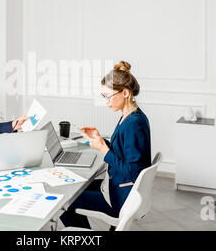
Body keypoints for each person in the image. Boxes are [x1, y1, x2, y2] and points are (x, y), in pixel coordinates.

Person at [60, 61, 151, 229]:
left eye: (108, 96)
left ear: (125, 93)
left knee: (64, 199)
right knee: (76, 188)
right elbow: (123, 151)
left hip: (121, 196)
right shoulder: (130, 115)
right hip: (118, 187)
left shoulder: (133, 124)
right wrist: (101, 139)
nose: (106, 102)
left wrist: (104, 149)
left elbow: (133, 172)